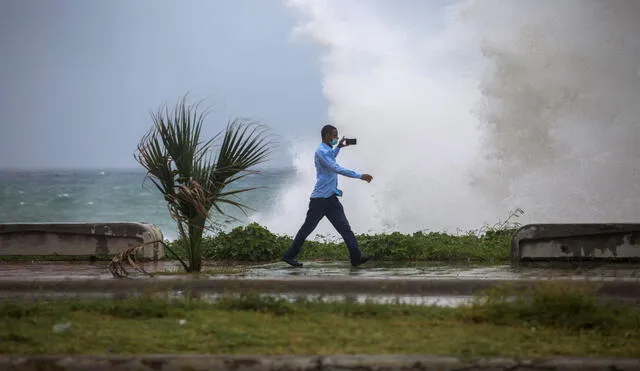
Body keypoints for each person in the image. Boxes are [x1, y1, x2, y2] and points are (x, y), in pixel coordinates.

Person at [282, 124, 374, 268]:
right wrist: (360, 176)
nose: (336, 138)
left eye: (337, 135)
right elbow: (335, 167)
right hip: (319, 200)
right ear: (326, 135)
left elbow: (330, 158)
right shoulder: (321, 151)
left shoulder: (327, 150)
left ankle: (356, 258)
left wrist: (339, 148)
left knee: (345, 228)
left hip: (331, 199)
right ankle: (289, 255)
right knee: (307, 229)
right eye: (334, 135)